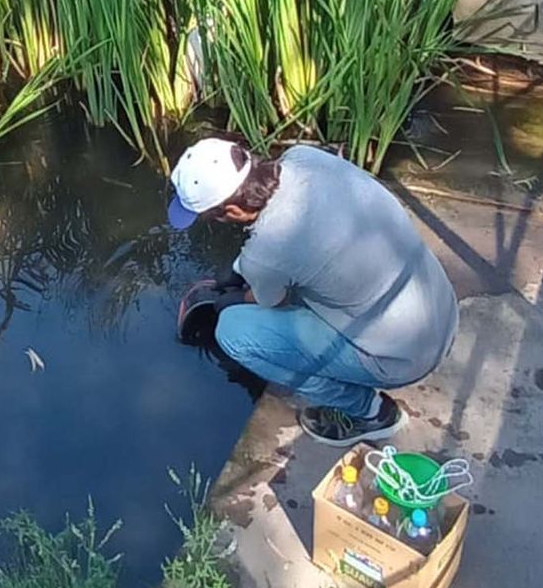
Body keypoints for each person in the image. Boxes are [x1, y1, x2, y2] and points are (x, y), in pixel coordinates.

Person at [167, 137, 458, 446]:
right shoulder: (304, 158)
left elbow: (269, 300)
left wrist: (229, 300)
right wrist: (241, 269)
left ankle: (373, 414)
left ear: (235, 211)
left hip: (403, 358)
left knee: (234, 333)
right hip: (442, 311)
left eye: (213, 217)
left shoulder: (268, 251)